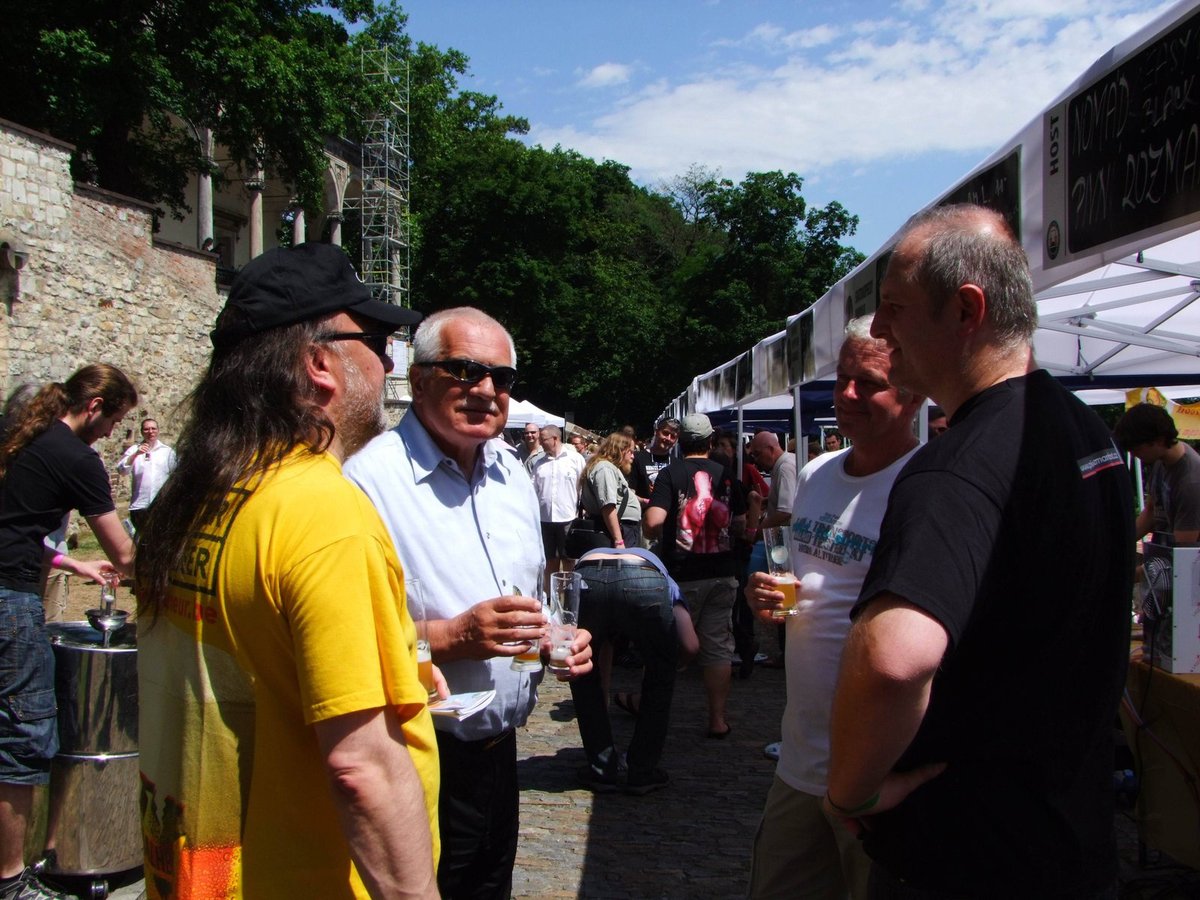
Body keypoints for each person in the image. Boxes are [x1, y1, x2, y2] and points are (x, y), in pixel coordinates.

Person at [825, 204, 1134, 897]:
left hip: (967, 855)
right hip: (1070, 841)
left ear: (966, 311)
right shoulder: (1087, 434)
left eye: (895, 308)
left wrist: (849, 793)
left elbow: (893, 657)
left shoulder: (955, 469)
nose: (879, 330)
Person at [134, 242, 439, 899]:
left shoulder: (187, 498)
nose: (389, 360)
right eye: (377, 337)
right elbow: (362, 770)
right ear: (318, 362)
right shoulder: (322, 514)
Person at [343, 306, 593, 900]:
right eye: (465, 371)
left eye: (501, 378)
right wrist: (450, 636)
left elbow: (528, 599)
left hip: (498, 752)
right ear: (421, 377)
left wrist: (556, 638)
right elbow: (344, 642)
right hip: (415, 757)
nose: (486, 390)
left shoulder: (511, 471)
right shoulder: (365, 481)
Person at [745, 316, 922, 900]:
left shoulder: (927, 486)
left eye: (868, 382)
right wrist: (767, 598)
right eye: (842, 377)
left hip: (877, 772)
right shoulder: (818, 474)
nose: (846, 395)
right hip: (800, 758)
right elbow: (806, 585)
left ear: (914, 387)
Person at [0, 365, 138, 900]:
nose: (111, 434)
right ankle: (12, 880)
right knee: (23, 736)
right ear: (96, 404)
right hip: (11, 601)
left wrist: (71, 565)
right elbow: (123, 553)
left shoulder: (24, 437)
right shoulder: (76, 457)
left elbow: (17, 524)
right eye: (115, 421)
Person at [645, 413, 745, 738]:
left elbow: (652, 522)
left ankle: (653, 709)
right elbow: (742, 524)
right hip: (723, 573)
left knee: (670, 644)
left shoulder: (670, 474)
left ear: (679, 442)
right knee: (717, 647)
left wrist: (660, 514)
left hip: (683, 576)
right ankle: (718, 720)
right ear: (711, 442)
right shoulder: (728, 476)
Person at [570, 546, 679, 794]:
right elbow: (688, 642)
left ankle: (601, 769)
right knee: (660, 674)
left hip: (588, 575)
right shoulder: (663, 572)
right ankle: (642, 771)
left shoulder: (594, 552)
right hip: (644, 578)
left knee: (583, 670)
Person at [1114, 402, 1200, 544]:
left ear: (1159, 440)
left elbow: (1182, 552)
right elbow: (1151, 512)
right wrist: (1118, 546)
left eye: (1136, 449)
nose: (1134, 455)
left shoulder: (1191, 483)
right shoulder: (1161, 462)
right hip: (1164, 556)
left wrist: (1141, 568)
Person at [530, 424, 586, 574]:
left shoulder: (575, 459)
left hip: (567, 519)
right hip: (545, 520)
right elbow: (533, 491)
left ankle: (568, 596)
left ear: (555, 439)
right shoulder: (539, 463)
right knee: (549, 560)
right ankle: (550, 597)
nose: (540, 443)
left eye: (543, 439)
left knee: (568, 560)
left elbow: (583, 487)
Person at [579, 432, 641, 549]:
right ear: (620, 450)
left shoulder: (608, 467)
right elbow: (607, 506)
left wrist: (641, 501)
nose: (633, 456)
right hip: (619, 531)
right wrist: (619, 541)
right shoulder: (605, 468)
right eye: (630, 452)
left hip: (623, 529)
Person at [116, 418, 177, 532]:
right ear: (142, 432)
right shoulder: (134, 450)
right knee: (141, 541)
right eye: (146, 429)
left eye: (153, 429)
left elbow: (176, 476)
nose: (150, 432)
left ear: (158, 431)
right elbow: (121, 470)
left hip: (161, 504)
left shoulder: (167, 452)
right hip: (140, 505)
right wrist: (135, 455)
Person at [630, 416, 679, 507]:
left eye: (673, 436)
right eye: (665, 433)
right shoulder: (637, 458)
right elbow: (629, 492)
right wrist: (645, 501)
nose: (668, 438)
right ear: (656, 432)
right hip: (642, 516)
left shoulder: (677, 464)